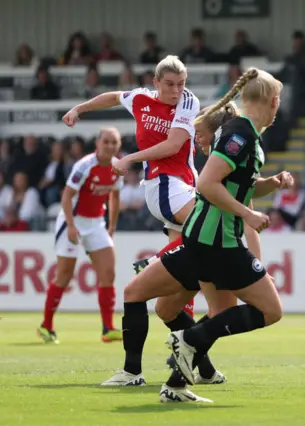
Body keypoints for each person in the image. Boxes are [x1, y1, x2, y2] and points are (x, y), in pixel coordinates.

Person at [115, 67, 288, 403]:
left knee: (193, 310)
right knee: (270, 310)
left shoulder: (240, 133)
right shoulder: (240, 135)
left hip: (203, 240)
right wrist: (248, 215)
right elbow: (207, 185)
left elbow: (236, 187)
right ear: (273, 101)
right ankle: (190, 340)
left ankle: (175, 385)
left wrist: (272, 184)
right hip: (217, 242)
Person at [61, 56, 210, 384]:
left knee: (178, 290)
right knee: (186, 276)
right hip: (160, 194)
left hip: (178, 189)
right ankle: (199, 367)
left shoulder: (188, 101)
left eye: (180, 84)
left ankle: (186, 368)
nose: (175, 91)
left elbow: (173, 144)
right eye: (169, 84)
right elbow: (114, 96)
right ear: (156, 83)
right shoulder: (141, 98)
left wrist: (129, 158)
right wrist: (79, 109)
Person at [37, 128, 123, 344]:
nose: (110, 146)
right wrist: (72, 226)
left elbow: (114, 196)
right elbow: (66, 196)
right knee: (64, 275)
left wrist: (112, 225)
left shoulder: (118, 166)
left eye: (114, 142)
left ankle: (107, 328)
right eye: (106, 142)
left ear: (119, 145)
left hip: (96, 223)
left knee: (108, 273)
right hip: (72, 221)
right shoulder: (85, 165)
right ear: (98, 143)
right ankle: (46, 326)